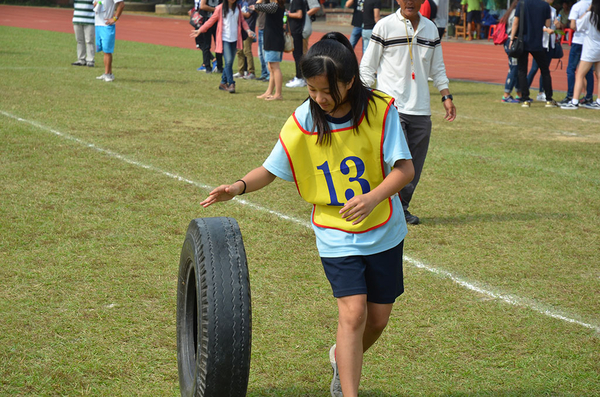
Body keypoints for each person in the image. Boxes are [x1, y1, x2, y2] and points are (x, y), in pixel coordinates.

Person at [200, 32, 415, 397]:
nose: (318, 98)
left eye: (326, 90)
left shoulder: (381, 110)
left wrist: (374, 197)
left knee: (377, 320)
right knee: (352, 314)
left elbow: (404, 170)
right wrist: (237, 186)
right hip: (335, 232)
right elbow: (270, 168)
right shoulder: (303, 119)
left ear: (348, 82)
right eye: (312, 90)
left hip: (383, 230)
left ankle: (340, 357)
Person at [360, 0, 457, 225]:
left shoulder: (431, 28)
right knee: (397, 163)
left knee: (414, 167)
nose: (409, 1)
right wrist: (364, 98)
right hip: (391, 107)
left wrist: (446, 95)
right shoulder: (383, 26)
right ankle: (384, 206)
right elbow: (367, 66)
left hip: (421, 109)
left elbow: (437, 66)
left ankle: (401, 208)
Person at [191, 0, 255, 93]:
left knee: (229, 63)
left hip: (235, 39)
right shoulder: (220, 8)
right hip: (225, 39)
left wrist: (248, 30)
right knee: (228, 61)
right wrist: (200, 30)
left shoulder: (238, 8)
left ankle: (223, 83)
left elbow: (242, 21)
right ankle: (231, 83)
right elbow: (211, 20)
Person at [509, 0, 558, 107]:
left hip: (523, 41)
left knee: (522, 70)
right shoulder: (545, 5)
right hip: (537, 42)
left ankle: (525, 99)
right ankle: (549, 99)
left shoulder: (522, 3)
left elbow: (516, 21)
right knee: (544, 70)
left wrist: (512, 38)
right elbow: (547, 24)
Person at [561, 0, 600, 109]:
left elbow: (577, 25)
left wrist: (587, 11)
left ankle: (574, 101)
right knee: (599, 75)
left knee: (580, 74)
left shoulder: (590, 15)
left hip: (590, 47)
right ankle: (598, 101)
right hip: (599, 47)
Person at [252, 0, 285, 100]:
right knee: (271, 68)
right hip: (272, 39)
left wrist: (259, 2)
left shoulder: (274, 6)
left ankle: (278, 94)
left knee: (275, 67)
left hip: (274, 40)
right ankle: (269, 92)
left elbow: (257, 6)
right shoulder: (275, 6)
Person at [526, 0, 557, 102]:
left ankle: (541, 92)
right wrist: (546, 29)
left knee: (545, 69)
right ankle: (524, 91)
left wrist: (557, 24)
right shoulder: (539, 7)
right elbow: (537, 24)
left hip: (549, 43)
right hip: (541, 42)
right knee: (535, 68)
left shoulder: (553, 10)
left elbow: (552, 25)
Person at [94, 0, 124, 82]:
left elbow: (121, 4)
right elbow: (94, 4)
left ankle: (107, 74)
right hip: (98, 24)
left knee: (107, 50)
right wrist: (96, 4)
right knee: (104, 50)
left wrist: (115, 18)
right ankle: (109, 73)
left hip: (107, 25)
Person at [500, 0, 522, 103]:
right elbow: (515, 26)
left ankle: (519, 93)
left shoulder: (510, 12)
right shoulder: (516, 13)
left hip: (509, 41)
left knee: (516, 68)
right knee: (513, 68)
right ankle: (506, 95)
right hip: (512, 41)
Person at [285, 0, 308, 87]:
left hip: (297, 30)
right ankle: (299, 77)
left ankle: (300, 78)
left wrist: (287, 14)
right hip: (296, 30)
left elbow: (299, 14)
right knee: (297, 54)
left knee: (298, 54)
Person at [234, 0, 258, 79]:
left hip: (249, 29)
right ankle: (241, 71)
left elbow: (248, 14)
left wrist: (236, 13)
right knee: (239, 51)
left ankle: (251, 72)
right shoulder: (241, 1)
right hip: (240, 29)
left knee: (247, 51)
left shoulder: (252, 1)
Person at [199, 0, 224, 74]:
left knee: (219, 45)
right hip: (207, 21)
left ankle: (220, 67)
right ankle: (207, 67)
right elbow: (202, 6)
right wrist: (216, 9)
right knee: (206, 45)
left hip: (217, 22)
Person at [72, 0, 95, 67]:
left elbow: (98, 3)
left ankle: (90, 60)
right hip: (77, 19)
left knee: (89, 40)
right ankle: (81, 59)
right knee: (79, 40)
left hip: (90, 20)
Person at [256, 6, 270, 81]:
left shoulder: (268, 3)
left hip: (266, 29)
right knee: (260, 53)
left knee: (265, 53)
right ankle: (264, 73)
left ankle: (269, 73)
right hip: (260, 28)